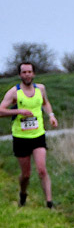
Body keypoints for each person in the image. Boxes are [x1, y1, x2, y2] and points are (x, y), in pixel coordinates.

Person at [0, 62, 58, 207]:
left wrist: (51, 115)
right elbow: (1, 110)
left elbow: (45, 103)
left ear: (34, 74)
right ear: (20, 74)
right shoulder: (14, 92)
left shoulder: (41, 89)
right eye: (24, 72)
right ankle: (23, 193)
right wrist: (18, 111)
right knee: (26, 175)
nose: (27, 75)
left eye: (29, 72)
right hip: (21, 137)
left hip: (38, 135)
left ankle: (49, 203)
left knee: (42, 170)